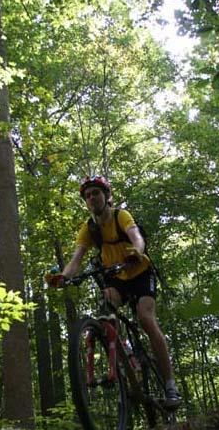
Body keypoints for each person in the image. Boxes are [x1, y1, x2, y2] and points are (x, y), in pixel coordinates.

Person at [46, 175, 181, 409]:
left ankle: (170, 385)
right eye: (87, 196)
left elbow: (137, 238)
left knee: (145, 319)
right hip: (115, 277)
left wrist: (136, 252)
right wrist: (63, 277)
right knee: (107, 312)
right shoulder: (88, 228)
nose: (91, 198)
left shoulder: (121, 216)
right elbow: (76, 259)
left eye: (96, 193)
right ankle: (126, 355)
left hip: (139, 271)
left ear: (106, 196)